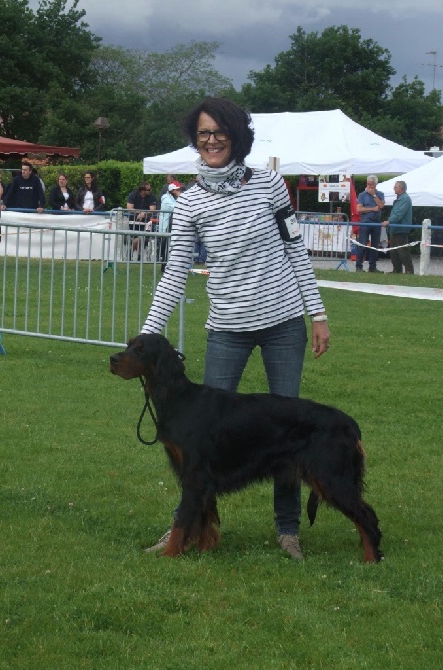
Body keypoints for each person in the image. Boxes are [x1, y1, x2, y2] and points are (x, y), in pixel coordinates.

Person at [140, 97, 330, 560]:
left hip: (284, 324)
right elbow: (174, 271)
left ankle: (288, 531)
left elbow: (295, 251)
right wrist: (148, 334)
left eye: (220, 131)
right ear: (195, 139)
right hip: (226, 327)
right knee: (199, 437)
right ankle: (193, 527)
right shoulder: (189, 203)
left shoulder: (269, 185)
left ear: (237, 135)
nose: (211, 140)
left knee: (287, 431)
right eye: (203, 133)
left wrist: (317, 314)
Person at [382, 180, 414, 274]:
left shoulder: (405, 199)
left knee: (403, 250)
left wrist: (389, 221)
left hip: (401, 229)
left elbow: (399, 213)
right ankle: (397, 269)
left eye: (396, 187)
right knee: (393, 251)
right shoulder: (400, 198)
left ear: (401, 188)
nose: (394, 188)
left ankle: (409, 270)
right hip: (395, 228)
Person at [355, 175, 385, 273]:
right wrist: (372, 209)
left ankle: (372, 267)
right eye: (368, 184)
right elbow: (359, 209)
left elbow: (381, 205)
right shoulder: (362, 195)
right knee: (362, 244)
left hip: (376, 222)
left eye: (371, 184)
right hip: (365, 222)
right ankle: (359, 266)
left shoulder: (380, 194)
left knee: (375, 245)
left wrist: (374, 196)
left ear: (375, 185)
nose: (369, 186)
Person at [126, 181, 158, 258]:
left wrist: (144, 214)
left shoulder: (152, 196)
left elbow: (153, 210)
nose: (150, 191)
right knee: (137, 238)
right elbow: (129, 208)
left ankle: (130, 252)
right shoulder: (133, 194)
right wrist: (140, 212)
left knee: (141, 238)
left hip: (147, 222)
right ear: (142, 191)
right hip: (134, 221)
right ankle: (138, 256)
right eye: (149, 190)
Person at [158, 183, 181, 270]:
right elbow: (178, 208)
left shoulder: (172, 198)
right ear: (172, 191)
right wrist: (180, 197)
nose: (180, 191)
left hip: (172, 226)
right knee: (167, 248)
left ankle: (170, 266)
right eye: (177, 190)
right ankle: (164, 267)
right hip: (166, 227)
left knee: (171, 248)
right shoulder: (166, 199)